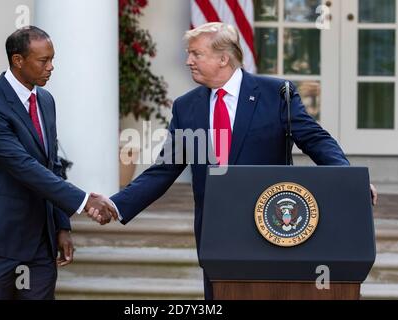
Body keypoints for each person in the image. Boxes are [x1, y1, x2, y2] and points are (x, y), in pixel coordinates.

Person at [90, 22, 377, 299]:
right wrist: (117, 204)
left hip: (272, 225)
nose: (188, 61)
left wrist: (348, 179)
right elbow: (164, 169)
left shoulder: (276, 94)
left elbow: (316, 140)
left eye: (196, 54)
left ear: (223, 58)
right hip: (217, 231)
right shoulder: (187, 107)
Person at [0, 26, 116, 300]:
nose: (51, 67)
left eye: (52, 59)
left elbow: (52, 165)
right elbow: (24, 167)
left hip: (40, 246)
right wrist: (84, 201)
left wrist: (62, 226)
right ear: (18, 60)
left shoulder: (45, 100)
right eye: (43, 60)